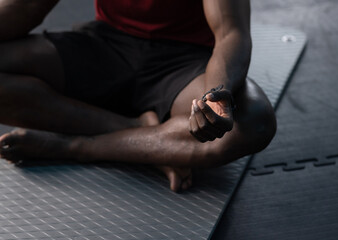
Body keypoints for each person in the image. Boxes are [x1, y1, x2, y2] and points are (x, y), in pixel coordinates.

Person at [0, 0, 276, 192]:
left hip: (184, 62)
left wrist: (215, 99)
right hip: (106, 46)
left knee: (253, 123)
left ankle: (74, 146)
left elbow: (230, 33)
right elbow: (26, 6)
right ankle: (144, 136)